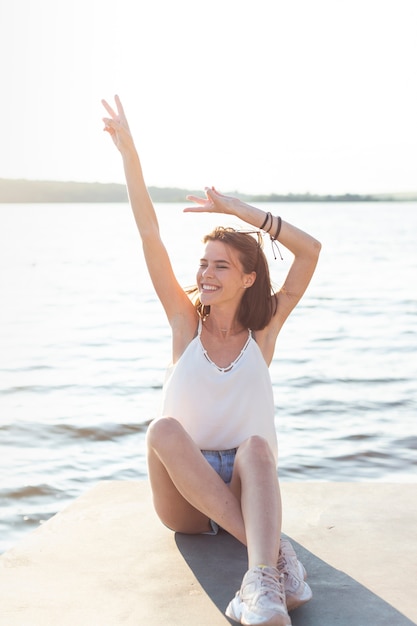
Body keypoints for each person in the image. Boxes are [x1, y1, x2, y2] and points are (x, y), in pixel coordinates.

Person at [102, 95, 321, 626]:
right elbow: (150, 232)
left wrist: (243, 213)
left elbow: (310, 252)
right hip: (187, 495)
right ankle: (276, 559)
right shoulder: (185, 324)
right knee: (164, 429)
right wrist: (130, 155)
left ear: (247, 278)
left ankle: (261, 590)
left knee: (257, 449)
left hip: (248, 483)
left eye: (221, 266)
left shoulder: (263, 330)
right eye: (203, 264)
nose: (206, 274)